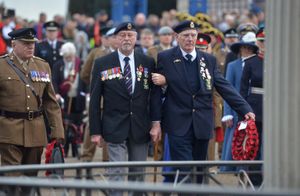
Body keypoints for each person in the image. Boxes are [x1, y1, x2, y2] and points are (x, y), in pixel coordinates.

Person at [151, 20, 255, 183]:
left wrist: (245, 109)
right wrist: (155, 122)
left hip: (201, 123)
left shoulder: (208, 60)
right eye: (186, 36)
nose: (190, 39)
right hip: (178, 124)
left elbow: (224, 86)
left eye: (193, 35)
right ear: (177, 37)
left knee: (200, 172)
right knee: (185, 171)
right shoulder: (166, 57)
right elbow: (157, 93)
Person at [89, 22, 159, 195]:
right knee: (117, 173)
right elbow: (95, 100)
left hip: (140, 126)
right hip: (114, 125)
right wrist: (95, 131)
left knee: (138, 175)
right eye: (122, 35)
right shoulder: (102, 63)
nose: (127, 39)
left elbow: (155, 97)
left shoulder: (148, 62)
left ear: (136, 38)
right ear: (115, 39)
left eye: (130, 35)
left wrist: (156, 124)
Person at [0, 28, 64, 194]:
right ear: (14, 44)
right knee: (11, 177)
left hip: (36, 131)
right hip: (8, 130)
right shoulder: (2, 66)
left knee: (30, 178)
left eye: (32, 44)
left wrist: (58, 131)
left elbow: (51, 102)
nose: (31, 47)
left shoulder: (42, 66)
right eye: (26, 43)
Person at [220, 32, 259, 172]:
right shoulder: (232, 65)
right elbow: (226, 89)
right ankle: (229, 167)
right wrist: (227, 113)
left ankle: (245, 168)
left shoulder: (257, 64)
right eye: (244, 48)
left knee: (251, 138)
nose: (247, 51)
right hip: (235, 109)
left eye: (250, 48)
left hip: (252, 108)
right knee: (234, 139)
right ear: (240, 49)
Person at [80, 27, 118, 162]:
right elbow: (84, 73)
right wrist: (94, 87)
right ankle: (86, 160)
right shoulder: (96, 52)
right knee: (92, 126)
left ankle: (109, 162)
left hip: (115, 101)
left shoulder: (123, 55)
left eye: (115, 36)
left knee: (111, 131)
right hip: (98, 98)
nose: (114, 39)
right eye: (111, 37)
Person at [52, 42, 87, 159]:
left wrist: (87, 93)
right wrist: (56, 93)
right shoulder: (58, 65)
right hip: (64, 100)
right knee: (66, 126)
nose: (68, 59)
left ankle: (76, 150)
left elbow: (86, 79)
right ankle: (65, 149)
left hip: (78, 100)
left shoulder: (80, 64)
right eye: (66, 57)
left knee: (77, 127)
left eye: (70, 56)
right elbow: (55, 81)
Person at [239, 28, 264, 186]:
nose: (264, 44)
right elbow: (242, 89)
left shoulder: (280, 59)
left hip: (275, 107)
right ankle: (254, 180)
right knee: (254, 144)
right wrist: (243, 110)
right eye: (262, 41)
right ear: (257, 43)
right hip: (255, 107)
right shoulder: (250, 62)